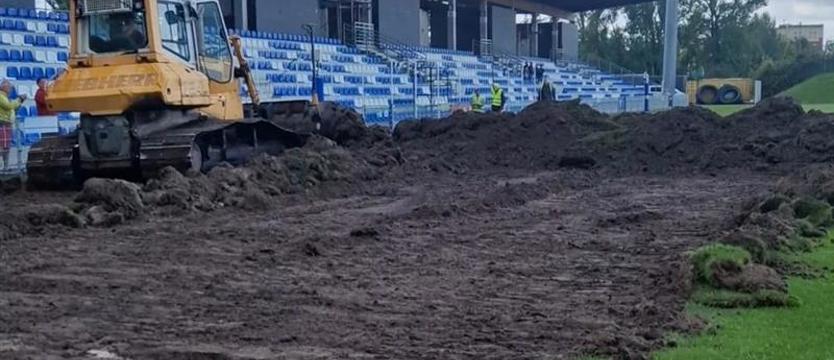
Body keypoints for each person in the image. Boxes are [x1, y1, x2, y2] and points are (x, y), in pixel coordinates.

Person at [0, 79, 26, 170]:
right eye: (9, 87)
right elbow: (9, 106)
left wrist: (19, 102)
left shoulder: (6, 97)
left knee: (6, 146)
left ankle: (6, 166)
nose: (10, 89)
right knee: (3, 146)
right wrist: (19, 99)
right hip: (2, 123)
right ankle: (4, 166)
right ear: (4, 87)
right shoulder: (1, 96)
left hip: (7, 124)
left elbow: (12, 108)